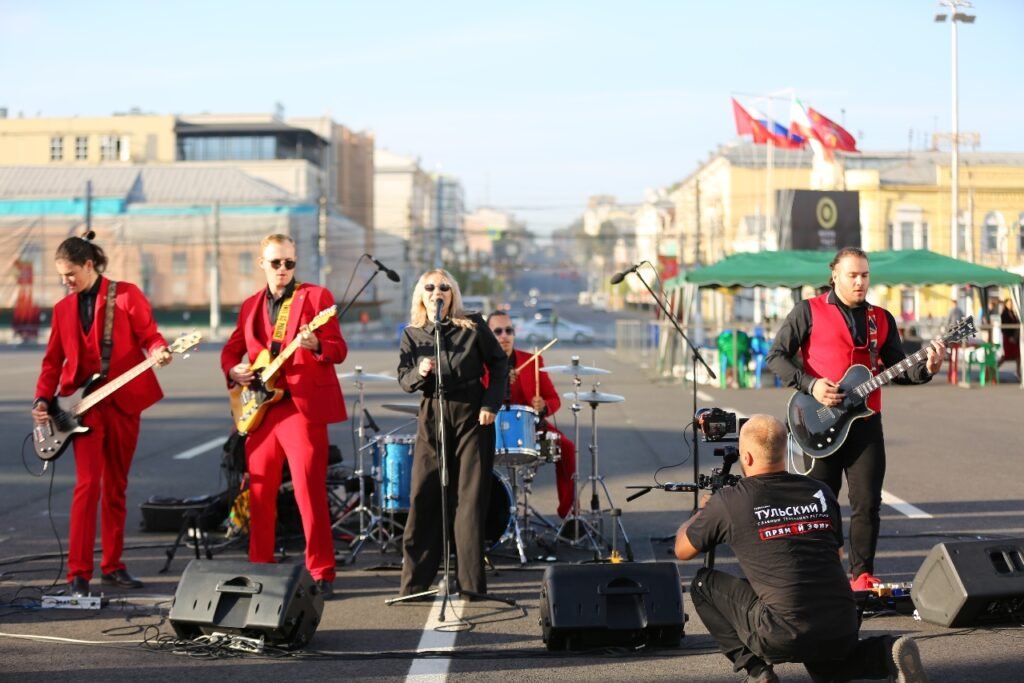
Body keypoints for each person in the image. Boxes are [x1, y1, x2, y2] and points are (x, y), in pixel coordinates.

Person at [675, 414, 928, 683]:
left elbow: (683, 550)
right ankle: (885, 652)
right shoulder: (819, 490)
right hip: (842, 625)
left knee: (703, 583)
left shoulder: (730, 501)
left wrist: (701, 512)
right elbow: (836, 555)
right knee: (826, 668)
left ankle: (757, 671)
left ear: (746, 458)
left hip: (782, 633)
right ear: (784, 452)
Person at [765, 247, 944, 591]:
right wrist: (811, 384)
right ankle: (826, 573)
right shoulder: (808, 310)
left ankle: (861, 575)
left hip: (866, 424)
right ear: (834, 275)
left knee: (867, 504)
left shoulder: (881, 318)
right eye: (853, 275)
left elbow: (899, 369)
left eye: (865, 275)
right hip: (817, 421)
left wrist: (927, 369)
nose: (860, 281)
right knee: (820, 502)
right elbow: (777, 356)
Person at [32, 233, 172, 598]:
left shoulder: (126, 295)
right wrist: (43, 399)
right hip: (84, 407)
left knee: (116, 487)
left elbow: (150, 336)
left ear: (89, 265)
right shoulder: (63, 311)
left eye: (70, 274)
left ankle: (113, 566)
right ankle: (78, 572)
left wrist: (159, 350)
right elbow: (52, 363)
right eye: (62, 275)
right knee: (86, 485)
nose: (66, 281)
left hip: (124, 404)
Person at [220, 234, 346, 598]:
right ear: (262, 263)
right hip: (262, 409)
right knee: (259, 492)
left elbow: (338, 349)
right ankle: (260, 568)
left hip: (300, 407)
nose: (283, 270)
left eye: (289, 263)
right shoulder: (248, 306)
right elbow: (231, 351)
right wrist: (235, 370)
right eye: (276, 263)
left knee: (309, 491)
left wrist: (317, 344)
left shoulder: (315, 298)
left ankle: (322, 570)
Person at [396, 270, 507, 598]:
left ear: (453, 294)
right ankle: (414, 584)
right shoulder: (414, 334)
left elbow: (499, 365)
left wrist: (491, 403)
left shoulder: (472, 324)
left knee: (469, 501)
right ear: (420, 294)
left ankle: (471, 585)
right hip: (432, 414)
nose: (436, 292)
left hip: (473, 414)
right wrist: (420, 371)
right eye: (429, 287)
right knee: (424, 495)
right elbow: (403, 379)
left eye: (444, 287)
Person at [485, 311, 578, 519]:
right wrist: (499, 384)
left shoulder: (533, 361)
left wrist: (543, 406)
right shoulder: (481, 365)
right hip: (491, 431)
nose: (504, 336)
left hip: (531, 431)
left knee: (567, 448)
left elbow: (554, 399)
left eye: (509, 330)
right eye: (497, 331)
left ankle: (569, 512)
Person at [998, 297, 1021, 379]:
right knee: (1006, 356)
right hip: (1008, 338)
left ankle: (1018, 372)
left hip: (1015, 338)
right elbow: (1004, 328)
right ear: (1006, 304)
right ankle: (994, 369)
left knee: (1018, 356)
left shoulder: (1014, 313)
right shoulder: (1004, 314)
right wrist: (1010, 337)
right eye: (1009, 303)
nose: (1011, 305)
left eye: (1011, 303)